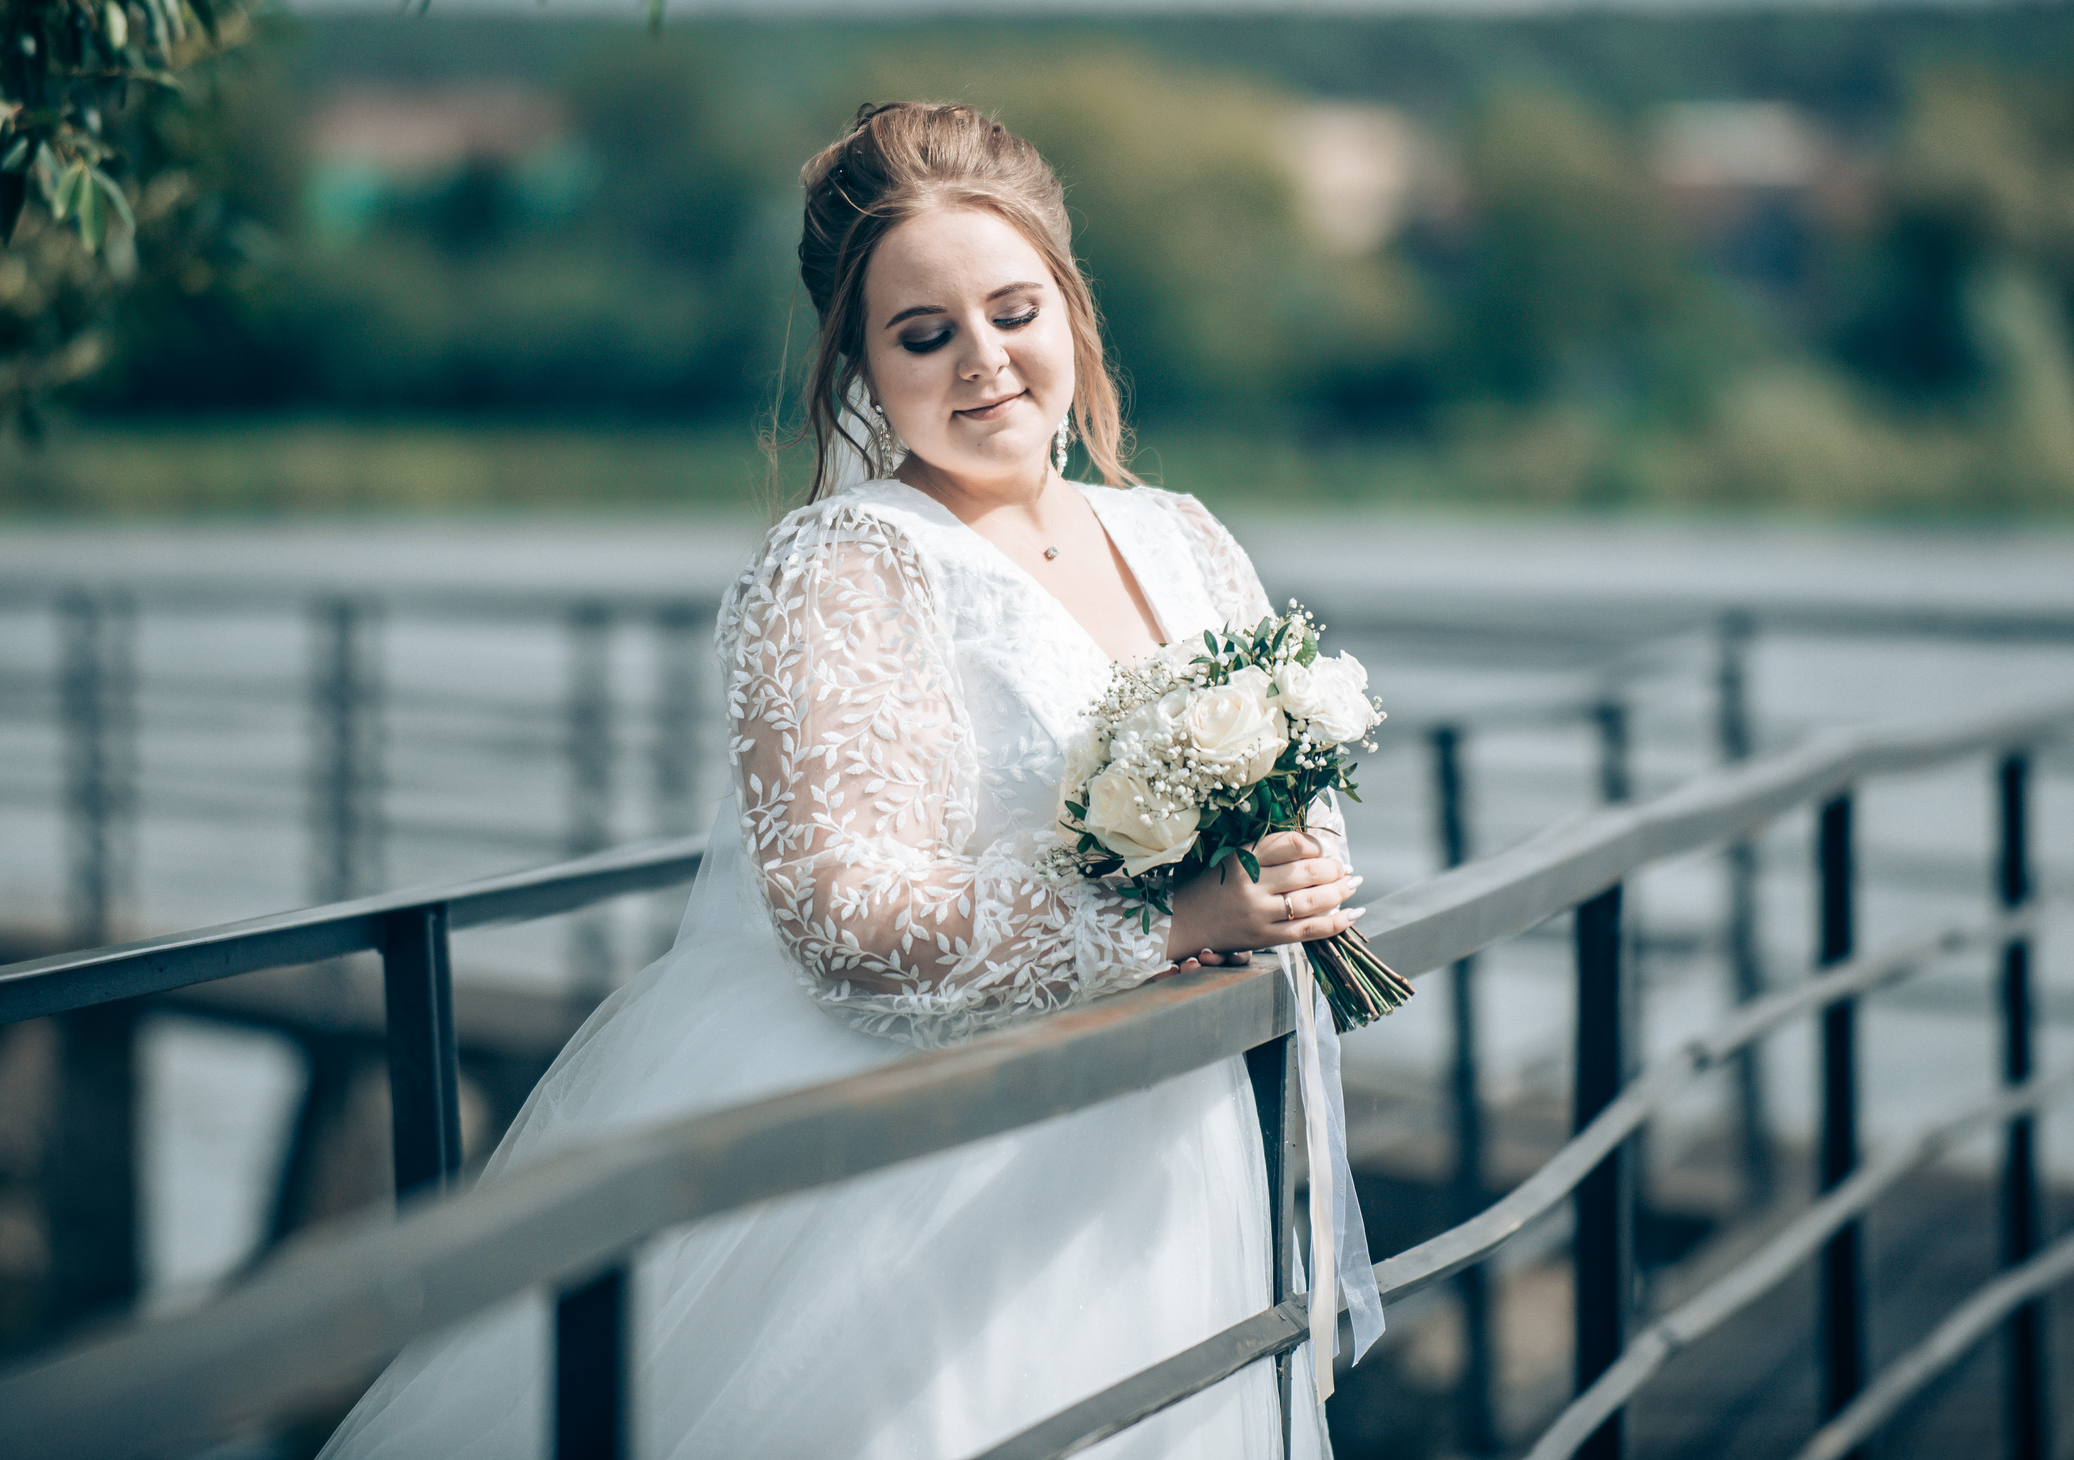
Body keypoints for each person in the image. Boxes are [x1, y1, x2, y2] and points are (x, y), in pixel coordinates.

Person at [320, 101, 1383, 1459]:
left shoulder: (1179, 534)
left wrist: (1296, 869)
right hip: (936, 1183)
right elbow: (844, 918)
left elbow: (1292, 791)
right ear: (862, 367)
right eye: (925, 334)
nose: (985, 363)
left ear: (1072, 307)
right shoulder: (842, 568)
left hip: (1173, 1150)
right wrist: (1169, 921)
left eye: (1013, 311)